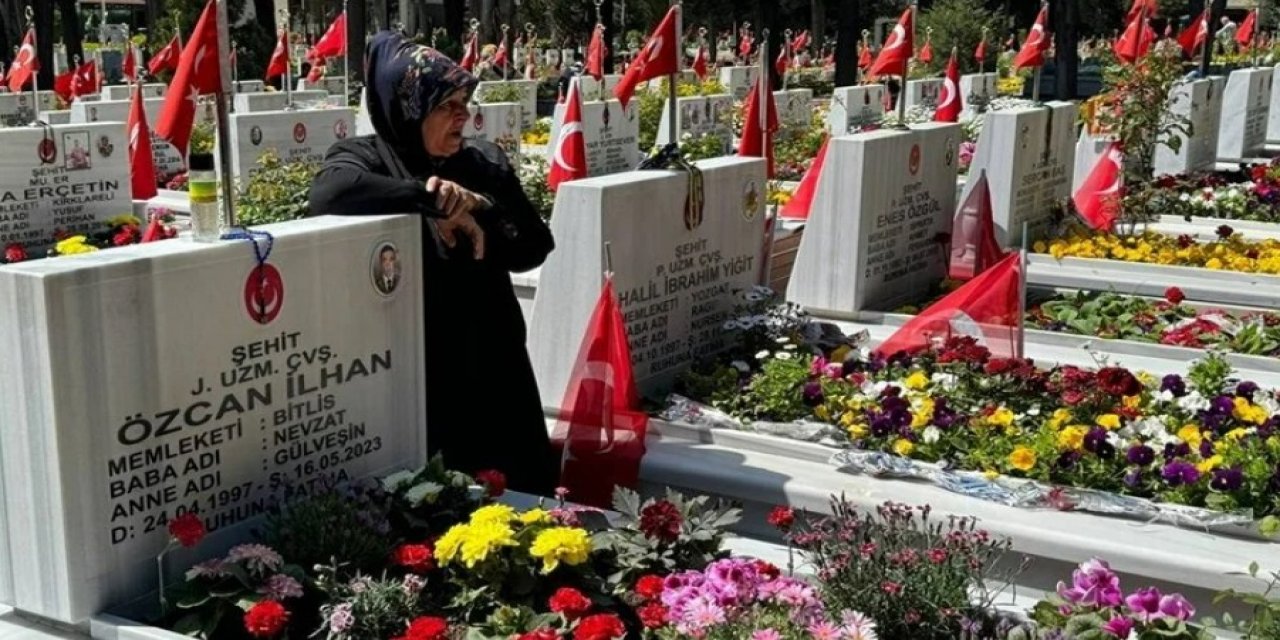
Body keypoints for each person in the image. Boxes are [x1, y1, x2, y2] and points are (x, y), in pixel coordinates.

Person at [309, 31, 558, 494]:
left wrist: (480, 205)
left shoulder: (481, 161)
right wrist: (431, 196)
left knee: (523, 497)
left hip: (494, 359)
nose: (463, 116)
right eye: (447, 105)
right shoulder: (366, 157)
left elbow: (533, 247)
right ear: (409, 107)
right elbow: (328, 195)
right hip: (427, 366)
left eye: (465, 102)